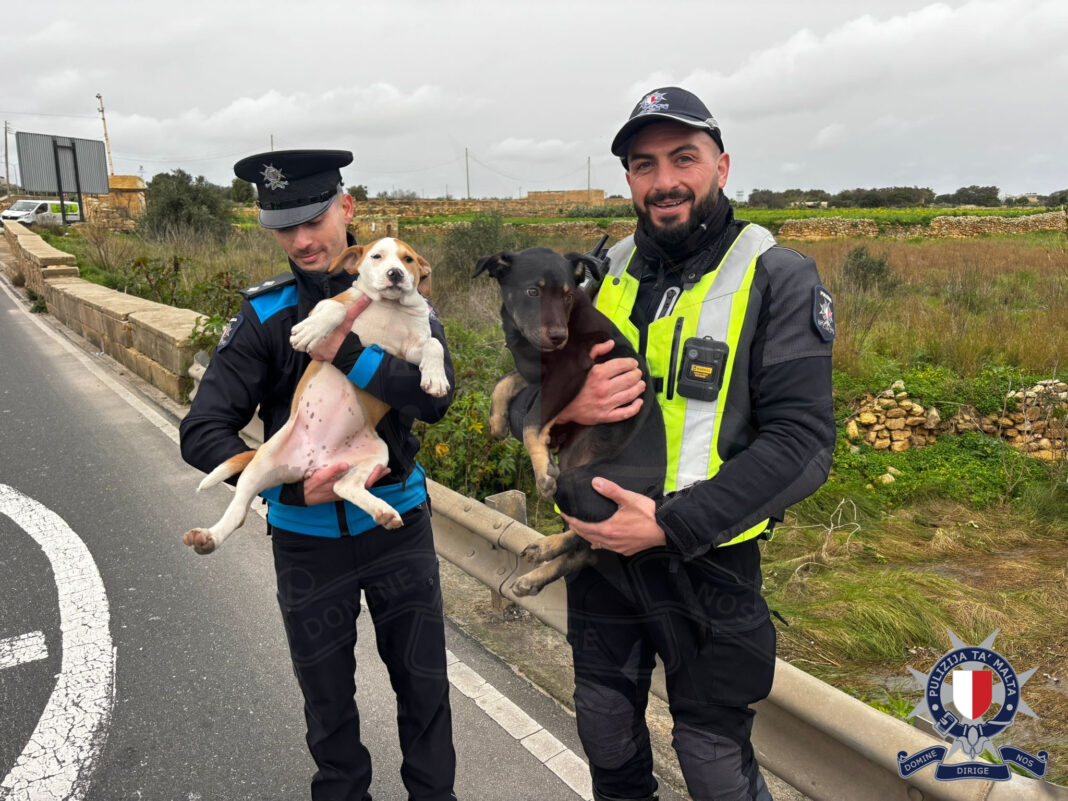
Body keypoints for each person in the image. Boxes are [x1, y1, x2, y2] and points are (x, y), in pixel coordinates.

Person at [509, 88, 836, 800]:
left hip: (708, 566)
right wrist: (567, 404)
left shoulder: (777, 275)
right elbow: (527, 393)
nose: (664, 181)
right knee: (605, 736)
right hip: (601, 563)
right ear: (628, 178)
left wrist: (667, 523)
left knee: (712, 762)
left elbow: (804, 442)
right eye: (644, 164)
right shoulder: (601, 270)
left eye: (684, 158)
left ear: (722, 165)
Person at [179, 149, 458, 801]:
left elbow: (434, 402)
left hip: (397, 525)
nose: (302, 240)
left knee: (425, 692)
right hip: (306, 542)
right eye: (284, 227)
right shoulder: (267, 314)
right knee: (328, 706)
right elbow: (203, 429)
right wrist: (289, 485)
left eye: (313, 220)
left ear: (345, 209)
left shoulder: (401, 289)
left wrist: (348, 353)